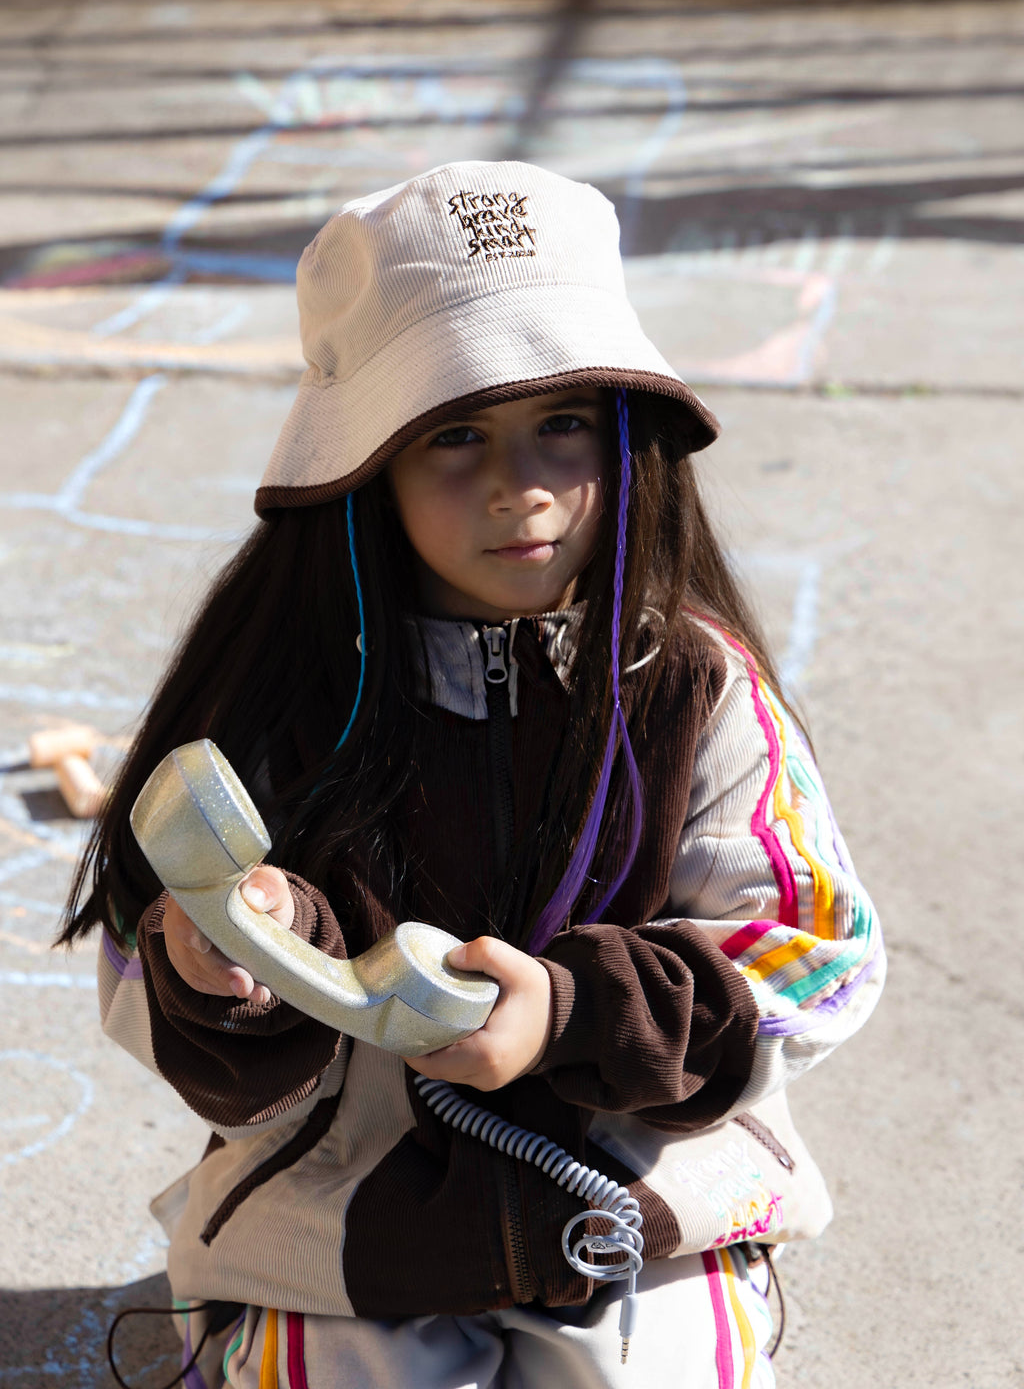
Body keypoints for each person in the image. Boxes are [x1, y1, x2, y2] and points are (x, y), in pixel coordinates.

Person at [61, 161, 884, 1389]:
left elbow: (810, 948)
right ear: (364, 469)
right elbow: (145, 944)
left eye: (562, 422)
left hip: (634, 1193)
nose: (523, 487)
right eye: (453, 433)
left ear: (626, 431)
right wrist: (225, 960)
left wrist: (573, 1012)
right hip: (339, 1208)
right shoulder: (282, 692)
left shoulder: (696, 686)